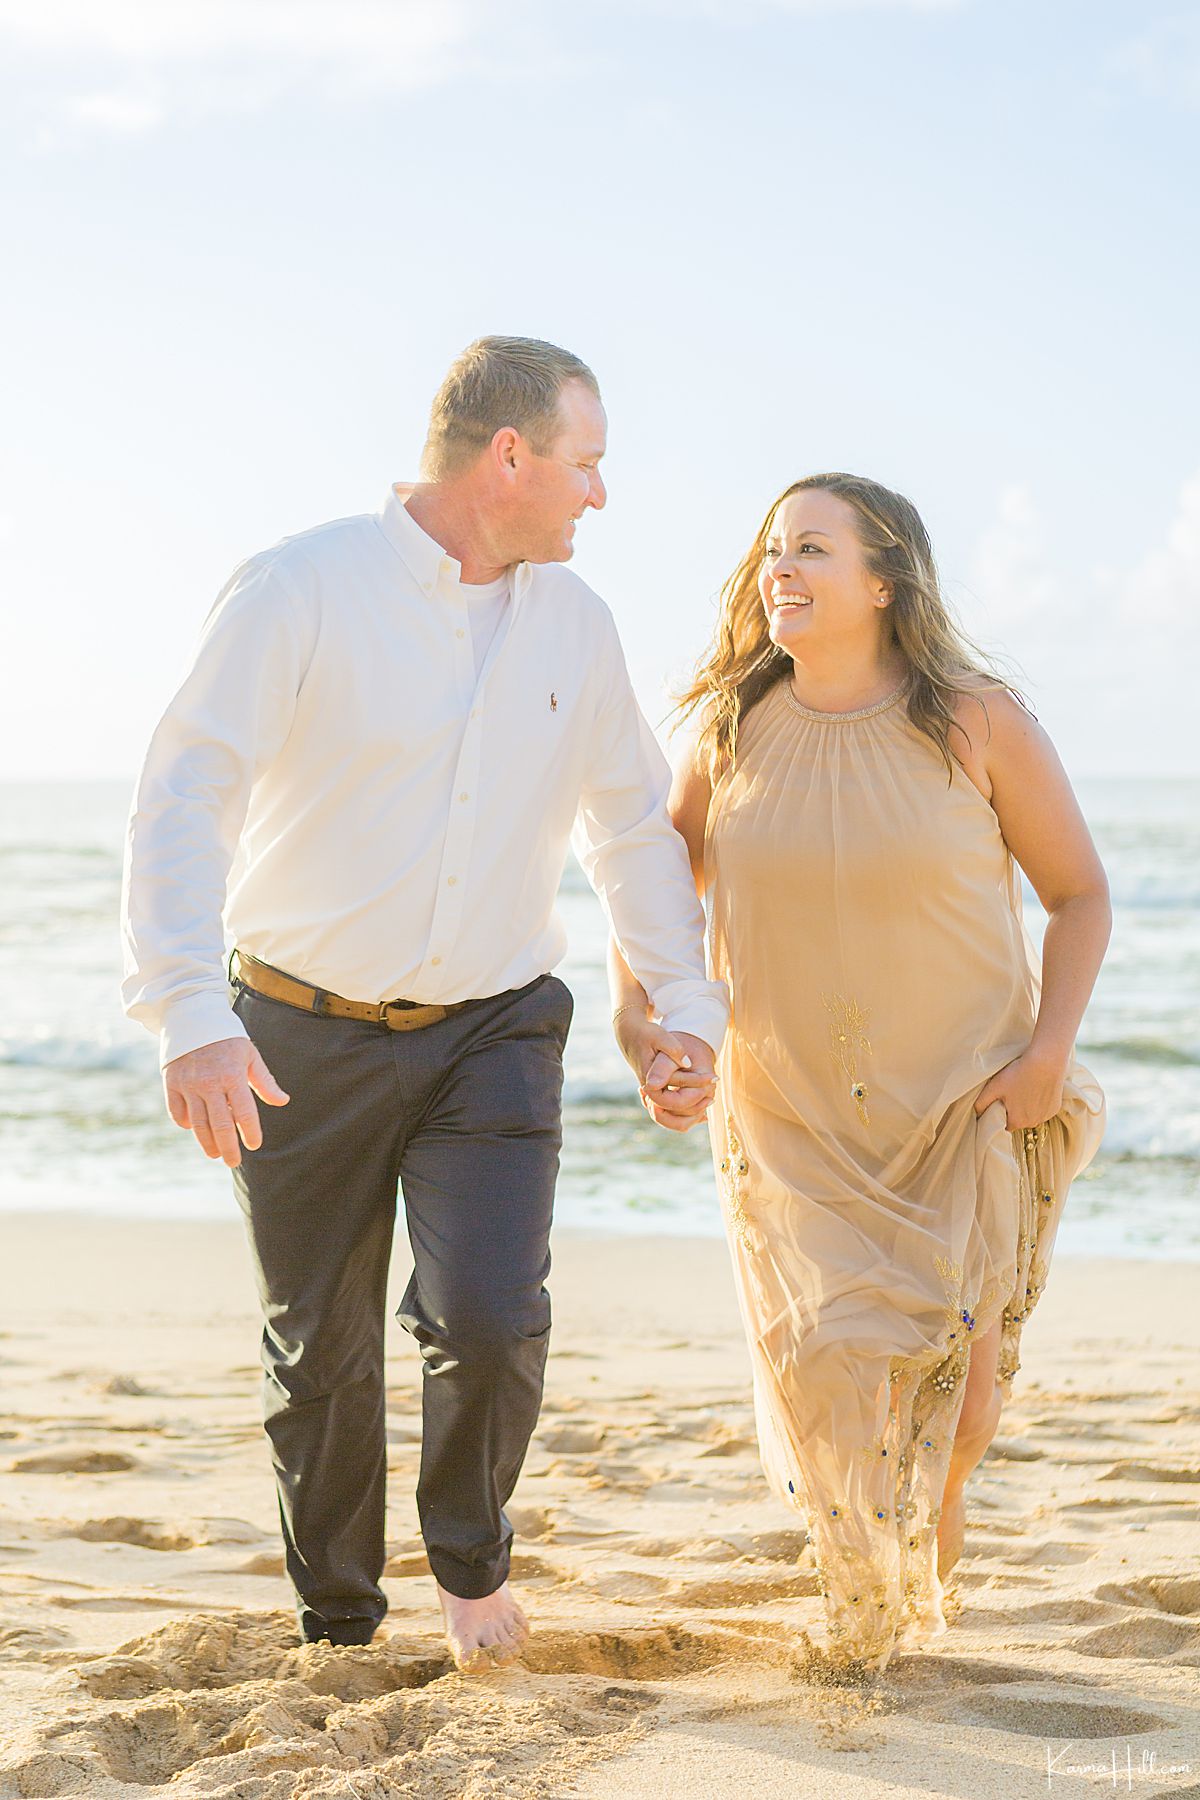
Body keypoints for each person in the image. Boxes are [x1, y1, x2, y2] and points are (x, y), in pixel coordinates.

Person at [121, 336, 726, 1673]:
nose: (602, 497)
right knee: (320, 1347)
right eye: (589, 464)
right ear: (509, 457)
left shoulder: (579, 625)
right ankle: (338, 1618)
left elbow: (630, 827)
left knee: (492, 1312)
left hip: (493, 1028)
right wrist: (187, 1011)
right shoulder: (299, 589)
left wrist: (685, 1003)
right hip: (291, 1032)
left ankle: (467, 1562)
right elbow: (186, 793)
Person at [609, 472, 1108, 1668]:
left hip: (966, 1106)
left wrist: (1049, 1055)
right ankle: (865, 1614)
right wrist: (644, 1031)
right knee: (834, 1376)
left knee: (966, 1402)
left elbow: (1080, 897)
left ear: (884, 581)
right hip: (791, 1119)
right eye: (775, 549)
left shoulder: (976, 721)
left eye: (814, 549)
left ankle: (924, 1535)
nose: (781, 567)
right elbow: (653, 901)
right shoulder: (730, 728)